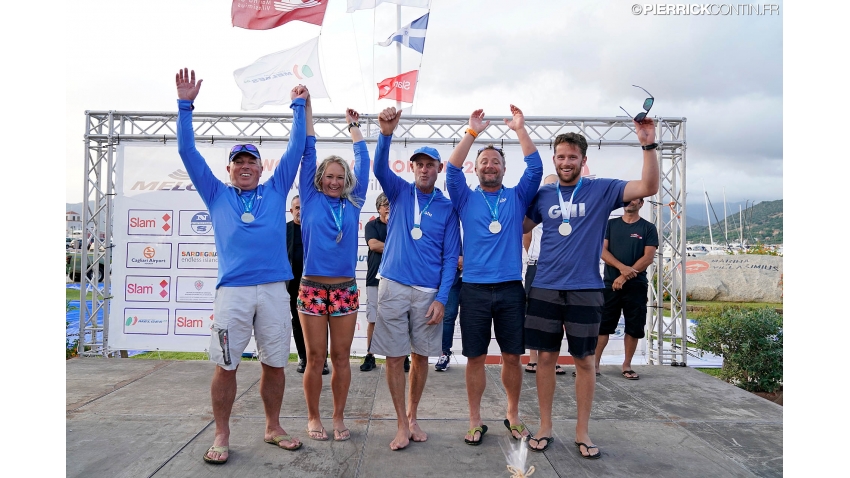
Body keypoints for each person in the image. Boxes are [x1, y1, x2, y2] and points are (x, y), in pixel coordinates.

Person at [175, 68, 306, 464]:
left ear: (261, 167)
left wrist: (298, 106)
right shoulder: (215, 193)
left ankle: (273, 426)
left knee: (275, 365)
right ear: (229, 169)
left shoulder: (276, 188)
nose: (245, 166)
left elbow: (296, 148)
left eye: (251, 160)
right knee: (226, 365)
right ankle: (221, 432)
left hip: (273, 290)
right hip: (232, 292)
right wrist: (185, 106)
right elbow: (187, 152)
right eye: (238, 161)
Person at [522, 120, 658, 458]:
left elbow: (649, 186)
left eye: (572, 157)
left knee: (584, 361)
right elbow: (517, 227)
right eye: (560, 157)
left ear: (583, 160)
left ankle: (582, 431)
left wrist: (648, 145)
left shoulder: (603, 189)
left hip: (585, 288)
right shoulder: (542, 196)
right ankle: (545, 426)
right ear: (553, 160)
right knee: (546, 361)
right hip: (545, 288)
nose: (565, 162)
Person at [446, 106, 542, 445]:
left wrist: (520, 129)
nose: (489, 165)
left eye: (496, 162)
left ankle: (513, 415)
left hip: (510, 289)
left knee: (512, 356)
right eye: (484, 162)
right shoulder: (464, 197)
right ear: (477, 168)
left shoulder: (517, 197)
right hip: (473, 288)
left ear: (503, 169)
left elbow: (536, 167)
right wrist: (471, 133)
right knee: (474, 357)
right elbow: (452, 169)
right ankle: (475, 419)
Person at [369, 107, 461, 451]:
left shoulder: (448, 207)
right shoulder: (398, 192)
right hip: (392, 285)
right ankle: (399, 424)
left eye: (430, 164)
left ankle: (413, 416)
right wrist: (385, 133)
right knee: (394, 358)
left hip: (427, 293)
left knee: (421, 357)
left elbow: (451, 257)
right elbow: (379, 167)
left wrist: (441, 298)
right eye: (419, 164)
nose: (424, 169)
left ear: (439, 169)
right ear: (412, 168)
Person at [297, 105, 369, 442]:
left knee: (341, 357)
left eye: (340, 177)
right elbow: (308, 149)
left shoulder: (353, 202)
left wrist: (354, 127)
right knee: (315, 358)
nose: (335, 182)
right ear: (319, 179)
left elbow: (364, 162)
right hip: (312, 288)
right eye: (330, 176)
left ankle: (338, 417)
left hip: (344, 290)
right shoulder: (310, 199)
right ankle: (314, 417)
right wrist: (306, 109)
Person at [595, 197, 658, 380]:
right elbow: (601, 250)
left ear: (641, 204)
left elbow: (648, 258)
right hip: (610, 284)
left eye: (634, 200)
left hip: (636, 286)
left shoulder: (648, 228)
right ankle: (595, 364)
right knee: (603, 326)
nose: (630, 203)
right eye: (627, 200)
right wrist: (621, 268)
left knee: (633, 326)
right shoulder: (610, 225)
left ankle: (627, 365)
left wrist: (624, 276)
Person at [521, 174, 565, 376]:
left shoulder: (567, 210)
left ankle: (552, 358)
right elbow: (526, 237)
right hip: (536, 265)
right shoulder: (536, 207)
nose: (552, 188)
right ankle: (533, 358)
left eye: (555, 185)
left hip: (559, 266)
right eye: (548, 185)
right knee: (533, 312)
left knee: (557, 313)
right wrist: (536, 258)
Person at [287, 196, 330, 376]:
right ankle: (303, 357)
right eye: (296, 208)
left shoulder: (316, 228)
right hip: (292, 284)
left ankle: (322, 360)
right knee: (297, 322)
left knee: (321, 322)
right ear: (291, 211)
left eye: (302, 207)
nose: (300, 211)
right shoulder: (284, 229)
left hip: (316, 284)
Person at [360, 192, 390, 372]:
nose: (388, 207)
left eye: (390, 204)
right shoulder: (372, 225)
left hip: (398, 280)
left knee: (399, 320)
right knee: (373, 319)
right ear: (378, 207)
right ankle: (370, 355)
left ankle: (402, 357)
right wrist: (396, 246)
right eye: (385, 204)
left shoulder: (400, 223)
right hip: (374, 278)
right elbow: (374, 245)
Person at [435, 251, 462, 372]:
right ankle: (444, 353)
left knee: (473, 319)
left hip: (475, 278)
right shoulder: (453, 231)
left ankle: (475, 356)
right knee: (448, 316)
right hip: (452, 277)